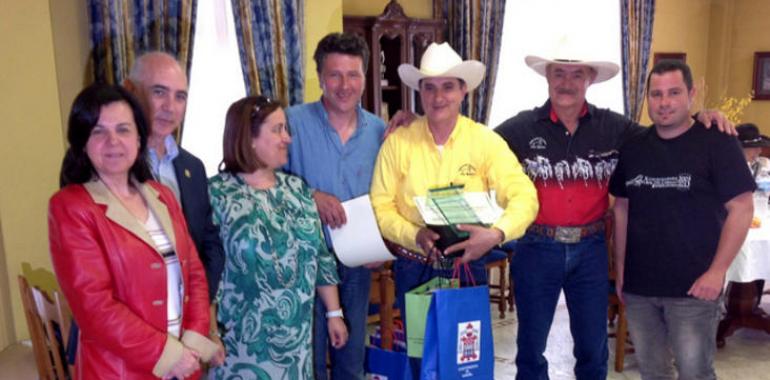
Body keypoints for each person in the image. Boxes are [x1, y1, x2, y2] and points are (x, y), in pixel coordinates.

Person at [494, 44, 735, 379]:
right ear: (547, 78)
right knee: (531, 348)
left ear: (590, 79)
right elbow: (473, 145)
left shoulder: (614, 128)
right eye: (558, 73)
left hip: (591, 250)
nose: (567, 82)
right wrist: (415, 121)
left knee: (593, 349)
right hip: (537, 247)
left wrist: (702, 118)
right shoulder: (520, 128)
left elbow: (665, 133)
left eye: (577, 73)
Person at [48, 83, 222, 379]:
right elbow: (95, 307)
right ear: (82, 142)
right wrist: (167, 354)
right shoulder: (70, 207)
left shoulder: (161, 194)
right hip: (117, 370)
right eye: (98, 131)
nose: (112, 141)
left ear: (139, 137)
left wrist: (192, 341)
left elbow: (193, 272)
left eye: (123, 129)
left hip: (183, 365)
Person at [370, 41, 538, 328]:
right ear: (419, 91)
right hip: (414, 264)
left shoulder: (485, 142)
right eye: (430, 87)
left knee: (465, 361)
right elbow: (381, 207)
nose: (438, 97)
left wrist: (497, 234)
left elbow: (525, 195)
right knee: (421, 358)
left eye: (448, 86)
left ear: (463, 91)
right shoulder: (397, 144)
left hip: (468, 263)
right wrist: (414, 234)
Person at [609, 60, 754, 380]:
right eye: (656, 94)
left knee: (695, 372)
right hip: (640, 287)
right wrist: (621, 270)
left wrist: (717, 273)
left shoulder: (716, 141)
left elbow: (742, 208)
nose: (664, 102)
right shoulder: (634, 147)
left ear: (692, 94)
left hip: (695, 287)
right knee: (652, 371)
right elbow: (622, 206)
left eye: (674, 93)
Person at [208, 96, 348, 379]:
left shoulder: (297, 190)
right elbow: (205, 272)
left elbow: (320, 255)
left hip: (296, 345)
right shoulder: (216, 194)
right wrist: (209, 332)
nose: (287, 138)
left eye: (286, 129)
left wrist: (334, 313)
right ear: (249, 137)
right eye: (277, 130)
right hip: (239, 344)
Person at [283, 32, 385, 379]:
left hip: (356, 263)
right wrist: (310, 196)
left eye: (353, 74)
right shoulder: (290, 123)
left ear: (364, 77)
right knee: (306, 361)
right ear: (320, 77)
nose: (344, 85)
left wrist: (383, 245)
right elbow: (266, 181)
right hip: (302, 264)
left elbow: (390, 196)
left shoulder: (380, 131)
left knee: (351, 360)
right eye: (335, 75)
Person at [124, 51, 225, 301]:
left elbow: (209, 244)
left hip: (185, 316)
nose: (170, 107)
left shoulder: (194, 167)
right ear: (130, 91)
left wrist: (198, 303)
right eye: (159, 92)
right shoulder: (113, 163)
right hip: (131, 315)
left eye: (180, 97)